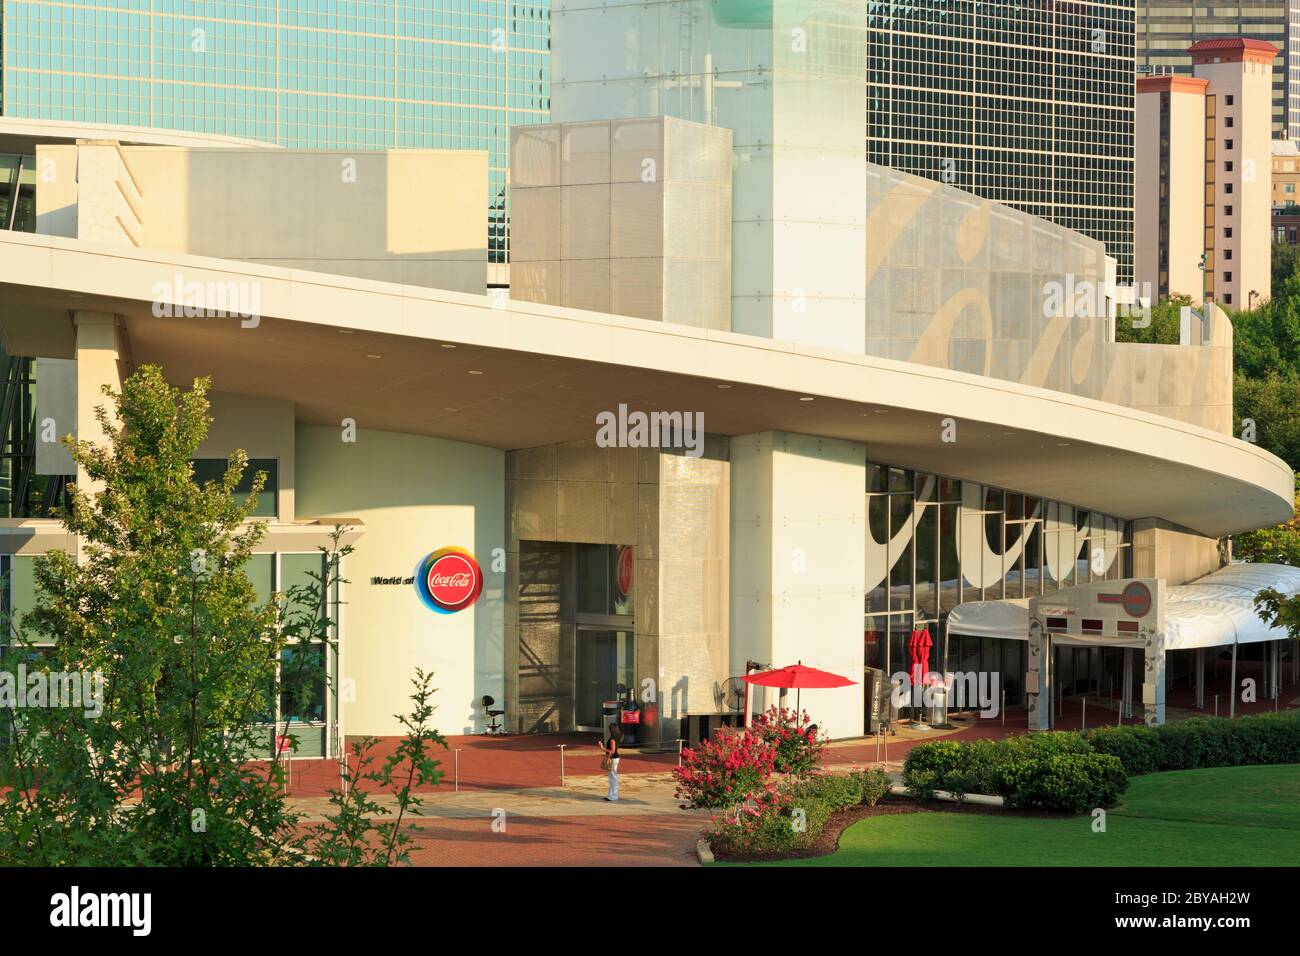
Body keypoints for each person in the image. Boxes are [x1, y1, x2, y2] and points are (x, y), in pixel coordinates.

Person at [602, 723, 622, 802]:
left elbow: (612, 751)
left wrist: (603, 749)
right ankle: (611, 795)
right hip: (615, 758)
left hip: (613, 758)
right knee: (612, 777)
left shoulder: (612, 739)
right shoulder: (616, 737)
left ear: (611, 729)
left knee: (613, 777)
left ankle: (613, 796)